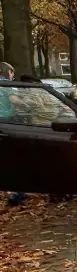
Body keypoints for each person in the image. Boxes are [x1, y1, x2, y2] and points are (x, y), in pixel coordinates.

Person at [0, 62, 26, 206]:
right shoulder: (7, 86)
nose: (13, 75)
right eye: (11, 72)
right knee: (14, 158)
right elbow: (14, 100)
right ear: (6, 72)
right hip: (7, 123)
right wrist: (28, 106)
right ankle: (15, 193)